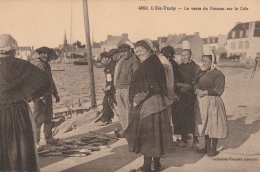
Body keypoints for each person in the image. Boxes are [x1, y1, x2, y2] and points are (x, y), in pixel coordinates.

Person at [0, 34, 51, 171]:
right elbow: (46, 82)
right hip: (18, 113)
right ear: (13, 48)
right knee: (21, 148)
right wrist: (30, 95)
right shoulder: (20, 64)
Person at [125, 39, 174, 172]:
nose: (138, 53)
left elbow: (149, 86)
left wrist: (137, 100)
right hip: (158, 104)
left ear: (148, 49)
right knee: (156, 136)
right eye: (136, 51)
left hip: (150, 105)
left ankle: (146, 168)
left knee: (148, 137)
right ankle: (156, 165)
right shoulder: (153, 61)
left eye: (141, 50)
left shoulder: (150, 63)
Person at [194, 45, 228, 157]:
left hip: (213, 102)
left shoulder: (218, 73)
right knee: (205, 124)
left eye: (207, 61)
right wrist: (197, 89)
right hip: (203, 102)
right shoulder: (201, 72)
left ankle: (212, 149)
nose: (205, 63)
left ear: (212, 61)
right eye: (203, 61)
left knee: (214, 125)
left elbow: (219, 89)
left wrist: (205, 92)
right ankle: (206, 147)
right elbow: (196, 83)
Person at [174, 41, 200, 148]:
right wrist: (180, 85)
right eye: (182, 55)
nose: (184, 57)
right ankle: (184, 140)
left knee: (193, 118)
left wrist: (190, 86)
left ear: (190, 55)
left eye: (186, 55)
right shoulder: (178, 68)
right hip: (181, 96)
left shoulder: (196, 67)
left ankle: (196, 141)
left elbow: (198, 80)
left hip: (192, 97)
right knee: (181, 118)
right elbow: (174, 80)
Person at [32, 46, 60, 145]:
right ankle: (35, 142)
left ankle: (48, 138)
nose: (46, 55)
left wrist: (56, 94)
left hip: (48, 94)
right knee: (38, 120)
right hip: (40, 96)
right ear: (39, 54)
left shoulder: (47, 65)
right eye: (43, 53)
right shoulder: (36, 65)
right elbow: (33, 82)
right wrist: (37, 96)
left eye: (47, 53)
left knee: (48, 116)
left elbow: (50, 81)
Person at [113, 43, 140, 137]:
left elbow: (136, 77)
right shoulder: (121, 60)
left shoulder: (134, 61)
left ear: (129, 50)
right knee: (122, 112)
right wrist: (115, 86)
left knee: (129, 111)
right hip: (119, 88)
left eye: (125, 51)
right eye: (121, 52)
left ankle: (131, 130)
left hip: (128, 89)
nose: (123, 54)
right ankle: (125, 129)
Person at [155, 44, 178, 133]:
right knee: (166, 119)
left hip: (165, 94)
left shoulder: (161, 62)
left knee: (164, 119)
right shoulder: (165, 61)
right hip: (169, 93)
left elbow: (165, 80)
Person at [96, 49, 119, 126]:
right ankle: (108, 118)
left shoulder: (111, 65)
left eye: (103, 58)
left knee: (106, 102)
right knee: (109, 102)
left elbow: (112, 78)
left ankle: (106, 119)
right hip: (111, 86)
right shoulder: (111, 64)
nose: (102, 60)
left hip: (111, 87)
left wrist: (109, 86)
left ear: (106, 58)